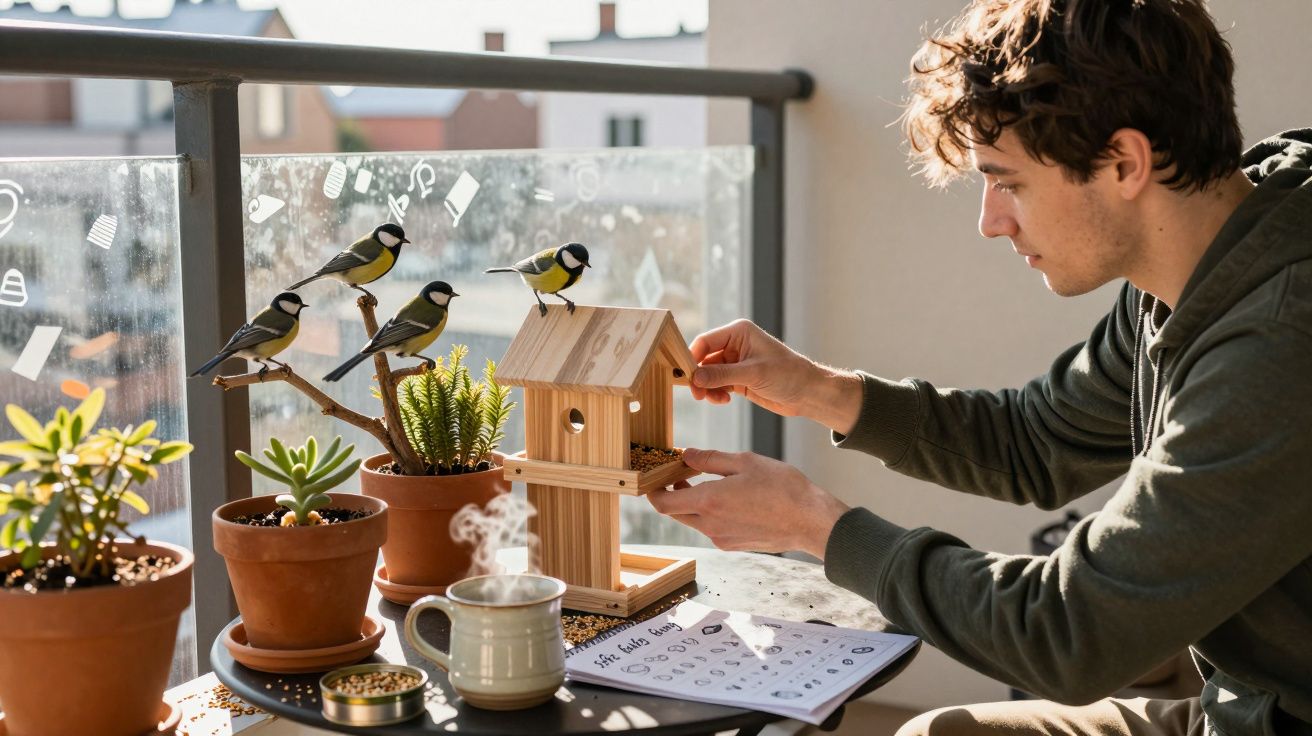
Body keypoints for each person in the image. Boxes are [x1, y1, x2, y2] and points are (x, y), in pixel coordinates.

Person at [645, 1, 1312, 735]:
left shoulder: (1280, 340)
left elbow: (1068, 631)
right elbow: (1039, 440)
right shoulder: (1201, 266)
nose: (991, 222)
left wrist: (818, 527)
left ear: (1125, 163)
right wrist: (820, 391)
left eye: (1009, 182)